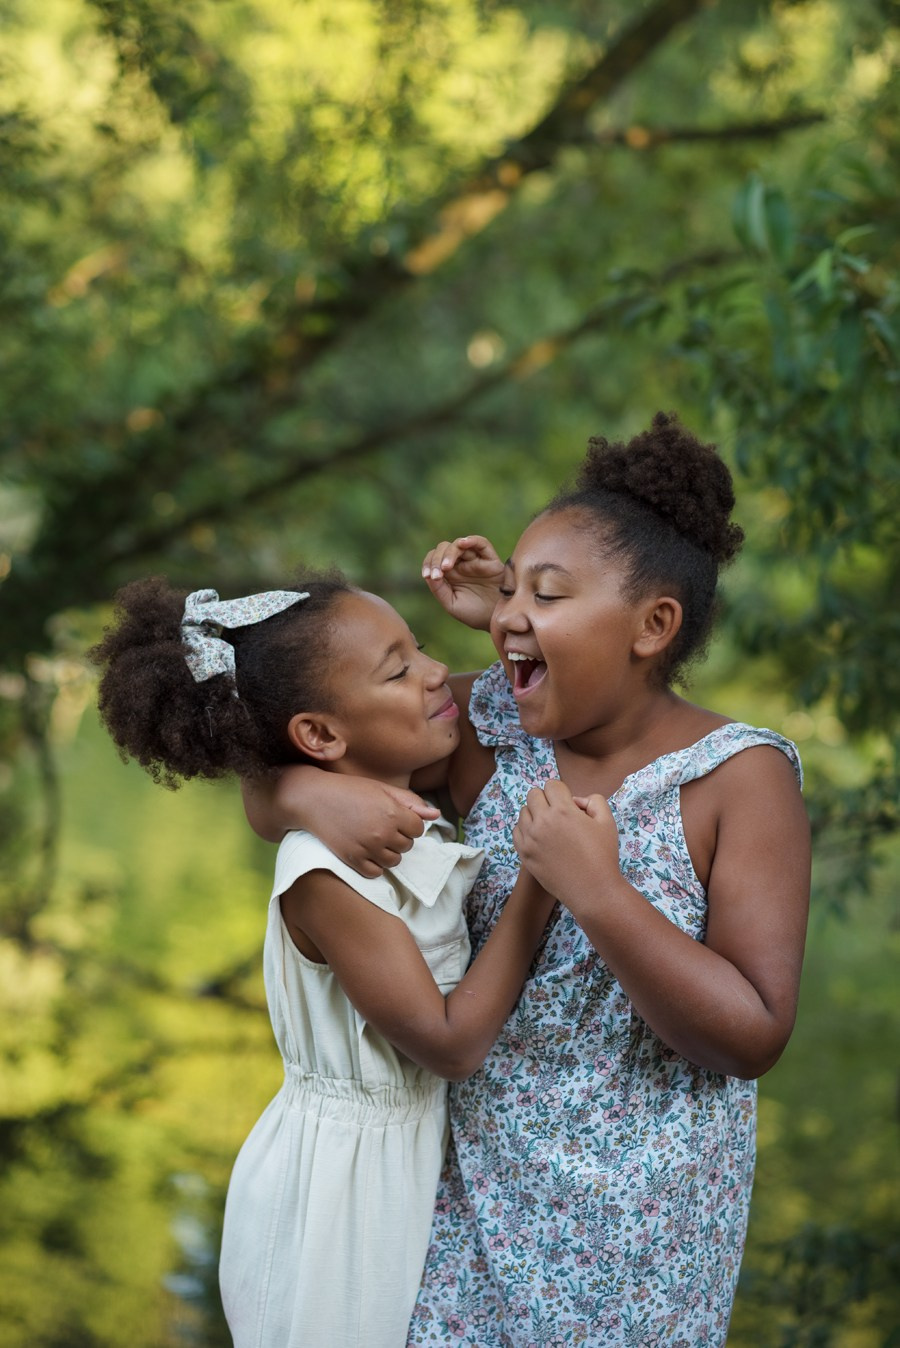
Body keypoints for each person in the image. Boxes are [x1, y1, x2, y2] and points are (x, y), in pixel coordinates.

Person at [250, 412, 811, 1347]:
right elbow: (292, 751)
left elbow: (753, 1035)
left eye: (546, 595)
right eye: (511, 587)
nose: (509, 613)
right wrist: (312, 798)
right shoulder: (502, 732)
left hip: (639, 1250)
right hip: (462, 1209)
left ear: (653, 626)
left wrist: (601, 894)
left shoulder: (738, 779)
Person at [90, 573, 557, 1348]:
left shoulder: (394, 809)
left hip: (403, 1165)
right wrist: (541, 887)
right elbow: (449, 1043)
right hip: (340, 1197)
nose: (436, 672)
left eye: (420, 650)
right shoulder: (325, 874)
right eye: (398, 669)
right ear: (320, 738)